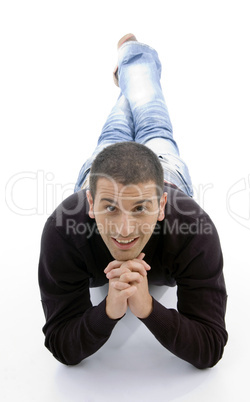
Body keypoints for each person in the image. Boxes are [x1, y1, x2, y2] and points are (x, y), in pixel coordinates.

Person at [38, 34, 228, 369]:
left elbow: (210, 349)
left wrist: (149, 310)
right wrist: (108, 311)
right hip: (108, 169)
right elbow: (61, 345)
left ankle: (131, 67)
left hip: (164, 170)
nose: (125, 229)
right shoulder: (62, 231)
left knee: (152, 119)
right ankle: (132, 73)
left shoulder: (194, 230)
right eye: (110, 207)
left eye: (140, 208)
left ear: (161, 206)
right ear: (91, 204)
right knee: (117, 130)